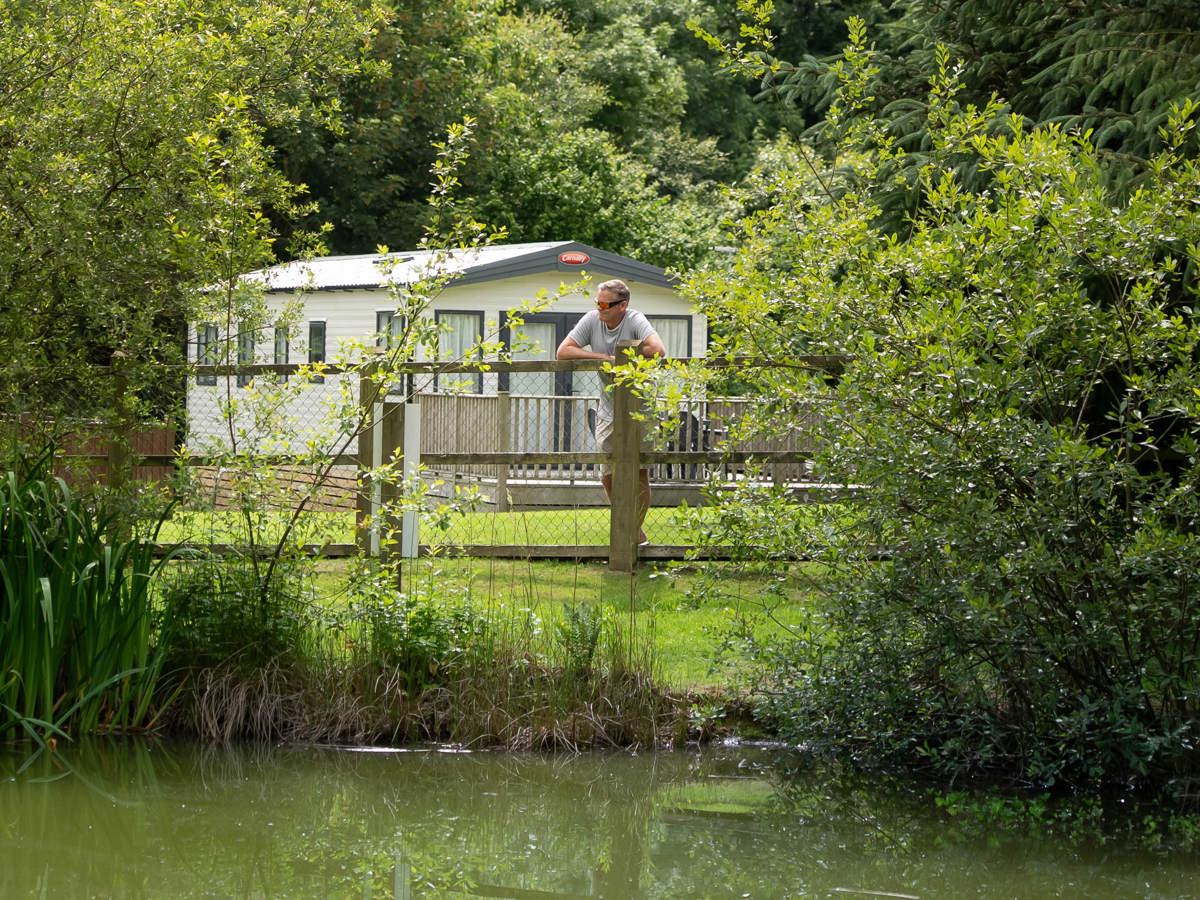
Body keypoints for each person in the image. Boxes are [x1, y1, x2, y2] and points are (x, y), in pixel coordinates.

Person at [556, 279, 666, 544]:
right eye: (598, 302)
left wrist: (627, 356)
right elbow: (563, 351)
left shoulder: (635, 319)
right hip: (608, 408)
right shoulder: (592, 320)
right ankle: (633, 532)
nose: (600, 308)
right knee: (607, 475)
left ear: (622, 305)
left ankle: (628, 536)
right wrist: (604, 359)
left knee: (638, 473)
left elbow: (658, 350)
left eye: (605, 304)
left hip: (641, 406)